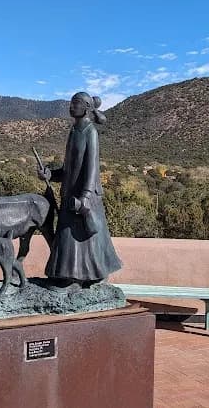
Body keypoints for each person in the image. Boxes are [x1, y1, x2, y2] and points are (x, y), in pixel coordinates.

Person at [37, 92, 122, 288]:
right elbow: (69, 169)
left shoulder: (90, 131)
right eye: (71, 103)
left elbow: (91, 167)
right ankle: (68, 275)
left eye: (75, 104)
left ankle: (90, 276)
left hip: (84, 195)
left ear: (85, 107)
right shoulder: (75, 130)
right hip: (70, 193)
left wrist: (85, 196)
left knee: (85, 237)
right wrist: (50, 174)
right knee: (70, 237)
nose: (71, 107)